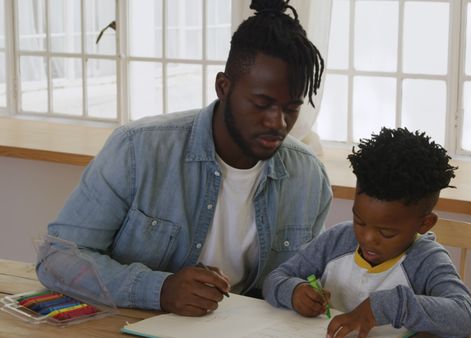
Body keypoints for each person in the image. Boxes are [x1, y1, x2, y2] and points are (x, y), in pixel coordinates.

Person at [36, 0, 332, 317]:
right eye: (262, 104)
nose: (278, 123)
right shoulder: (137, 150)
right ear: (223, 86)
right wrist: (159, 290)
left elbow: (299, 277)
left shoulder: (308, 177)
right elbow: (57, 259)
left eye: (291, 108)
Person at [263, 127, 471, 338]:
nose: (367, 238)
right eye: (360, 221)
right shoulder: (336, 241)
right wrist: (294, 291)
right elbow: (275, 278)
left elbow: (463, 315)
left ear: (425, 223)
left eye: (387, 233)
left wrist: (384, 306)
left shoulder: (426, 260)